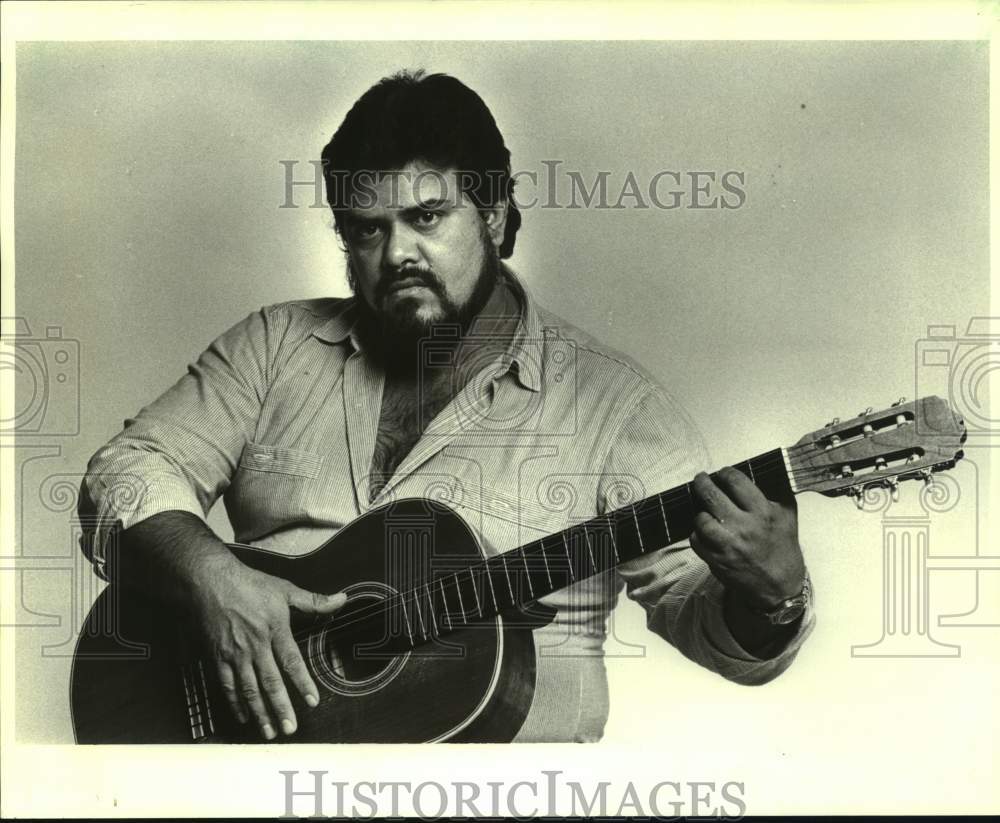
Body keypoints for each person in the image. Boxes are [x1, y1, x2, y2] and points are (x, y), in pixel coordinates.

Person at [78, 69, 814, 744]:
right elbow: (127, 469)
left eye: (427, 217)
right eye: (368, 229)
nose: (397, 252)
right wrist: (216, 580)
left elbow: (701, 611)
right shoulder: (275, 347)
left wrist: (771, 596)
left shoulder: (617, 410)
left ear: (492, 215)